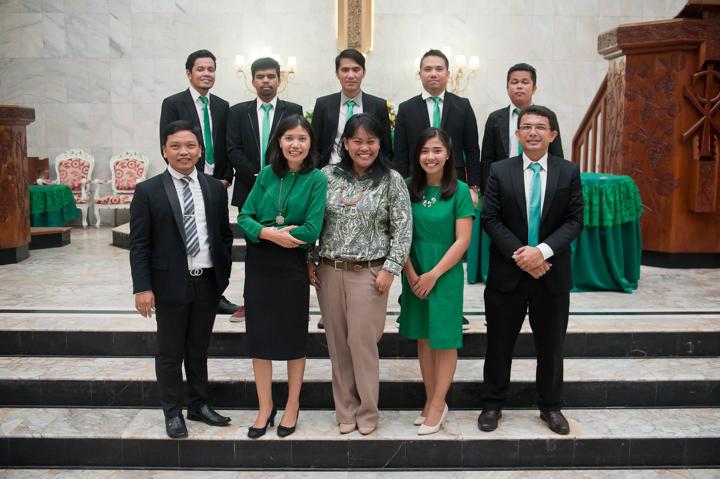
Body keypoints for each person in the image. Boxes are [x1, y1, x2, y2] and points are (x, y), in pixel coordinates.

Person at [479, 105, 583, 435]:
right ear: (518, 133)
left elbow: (574, 221)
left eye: (540, 127)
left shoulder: (568, 171)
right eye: (527, 127)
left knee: (551, 347)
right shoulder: (500, 170)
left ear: (552, 134)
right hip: (507, 274)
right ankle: (492, 404)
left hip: (551, 274)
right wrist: (522, 255)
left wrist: (542, 252)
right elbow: (490, 219)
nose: (533, 132)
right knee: (498, 344)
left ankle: (551, 406)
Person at [308, 113, 411, 435]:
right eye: (357, 141)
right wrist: (310, 259)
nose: (364, 148)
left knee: (362, 344)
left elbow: (403, 228)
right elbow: (313, 221)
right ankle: (346, 410)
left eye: (371, 141)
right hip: (329, 271)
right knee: (338, 345)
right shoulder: (326, 176)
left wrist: (390, 269)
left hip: (369, 273)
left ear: (380, 144)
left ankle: (368, 410)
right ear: (345, 144)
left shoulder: (391, 180)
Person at [130, 120, 234, 439]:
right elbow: (139, 244)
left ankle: (199, 404)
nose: (183, 152)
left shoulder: (214, 188)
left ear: (200, 150)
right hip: (169, 284)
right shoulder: (148, 191)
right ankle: (173, 411)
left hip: (207, 282)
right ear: (165, 150)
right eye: (175, 146)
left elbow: (223, 235)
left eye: (190, 145)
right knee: (170, 352)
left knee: (198, 349)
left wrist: (222, 276)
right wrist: (143, 287)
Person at [237, 115, 327, 439]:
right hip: (260, 265)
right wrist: (270, 233)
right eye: (289, 138)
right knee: (259, 338)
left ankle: (292, 405)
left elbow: (312, 229)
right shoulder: (265, 175)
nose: (295, 144)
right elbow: (244, 217)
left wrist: (274, 234)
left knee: (292, 338)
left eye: (302, 139)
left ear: (310, 144)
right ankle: (265, 407)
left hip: (291, 266)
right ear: (279, 142)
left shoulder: (316, 179)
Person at [394, 48, 480, 330]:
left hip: (451, 187)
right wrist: (401, 190)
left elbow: (472, 149)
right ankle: (410, 302)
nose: (433, 74)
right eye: (427, 69)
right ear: (419, 74)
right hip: (416, 186)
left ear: (448, 73)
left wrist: (474, 187)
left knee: (449, 244)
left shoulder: (462, 105)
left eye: (438, 68)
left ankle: (451, 308)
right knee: (414, 245)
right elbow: (401, 153)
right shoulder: (407, 108)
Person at [310, 48, 393, 330]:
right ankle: (331, 308)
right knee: (329, 232)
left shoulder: (377, 105)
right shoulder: (323, 104)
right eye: (345, 70)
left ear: (363, 72)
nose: (350, 75)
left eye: (356, 69)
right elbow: (316, 145)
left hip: (366, 178)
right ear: (337, 73)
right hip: (331, 180)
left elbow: (385, 145)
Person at [399, 128, 474, 435]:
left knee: (444, 339)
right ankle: (431, 400)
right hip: (413, 271)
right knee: (423, 338)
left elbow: (463, 240)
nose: (430, 157)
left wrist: (433, 274)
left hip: (445, 273)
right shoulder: (406, 188)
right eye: (424, 151)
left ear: (448, 155)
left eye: (437, 150)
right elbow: (399, 235)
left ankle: (438, 403)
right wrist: (411, 274)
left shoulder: (460, 191)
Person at [159, 49, 240, 317]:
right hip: (187, 182)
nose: (207, 74)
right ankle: (186, 289)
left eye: (211, 69)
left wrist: (225, 178)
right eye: (201, 69)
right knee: (188, 237)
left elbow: (227, 144)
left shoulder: (222, 106)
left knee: (216, 238)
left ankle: (216, 293)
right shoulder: (173, 103)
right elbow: (168, 144)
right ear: (189, 73)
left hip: (216, 186)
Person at [226, 57, 304, 322]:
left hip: (286, 189)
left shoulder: (293, 110)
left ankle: (283, 300)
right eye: (260, 77)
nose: (266, 81)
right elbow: (233, 149)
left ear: (279, 80)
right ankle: (251, 302)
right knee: (254, 249)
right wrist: (259, 178)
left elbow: (295, 146)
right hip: (249, 188)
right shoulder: (238, 112)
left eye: (271, 76)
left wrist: (275, 177)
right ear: (252, 81)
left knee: (285, 247)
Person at [480, 63, 564, 194]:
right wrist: (487, 192)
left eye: (525, 82)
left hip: (538, 181)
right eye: (514, 82)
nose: (519, 86)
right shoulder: (495, 118)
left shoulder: (548, 116)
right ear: (507, 88)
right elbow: (487, 159)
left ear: (534, 88)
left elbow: (556, 155)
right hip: (503, 184)